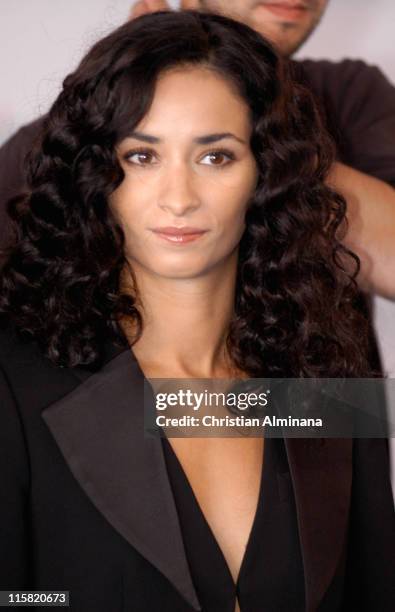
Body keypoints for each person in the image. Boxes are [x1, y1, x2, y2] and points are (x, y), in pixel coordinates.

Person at [0, 10, 394, 612]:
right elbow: (21, 598)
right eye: (141, 156)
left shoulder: (331, 377)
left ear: (268, 172)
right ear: (95, 174)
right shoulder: (16, 381)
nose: (179, 198)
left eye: (216, 157)